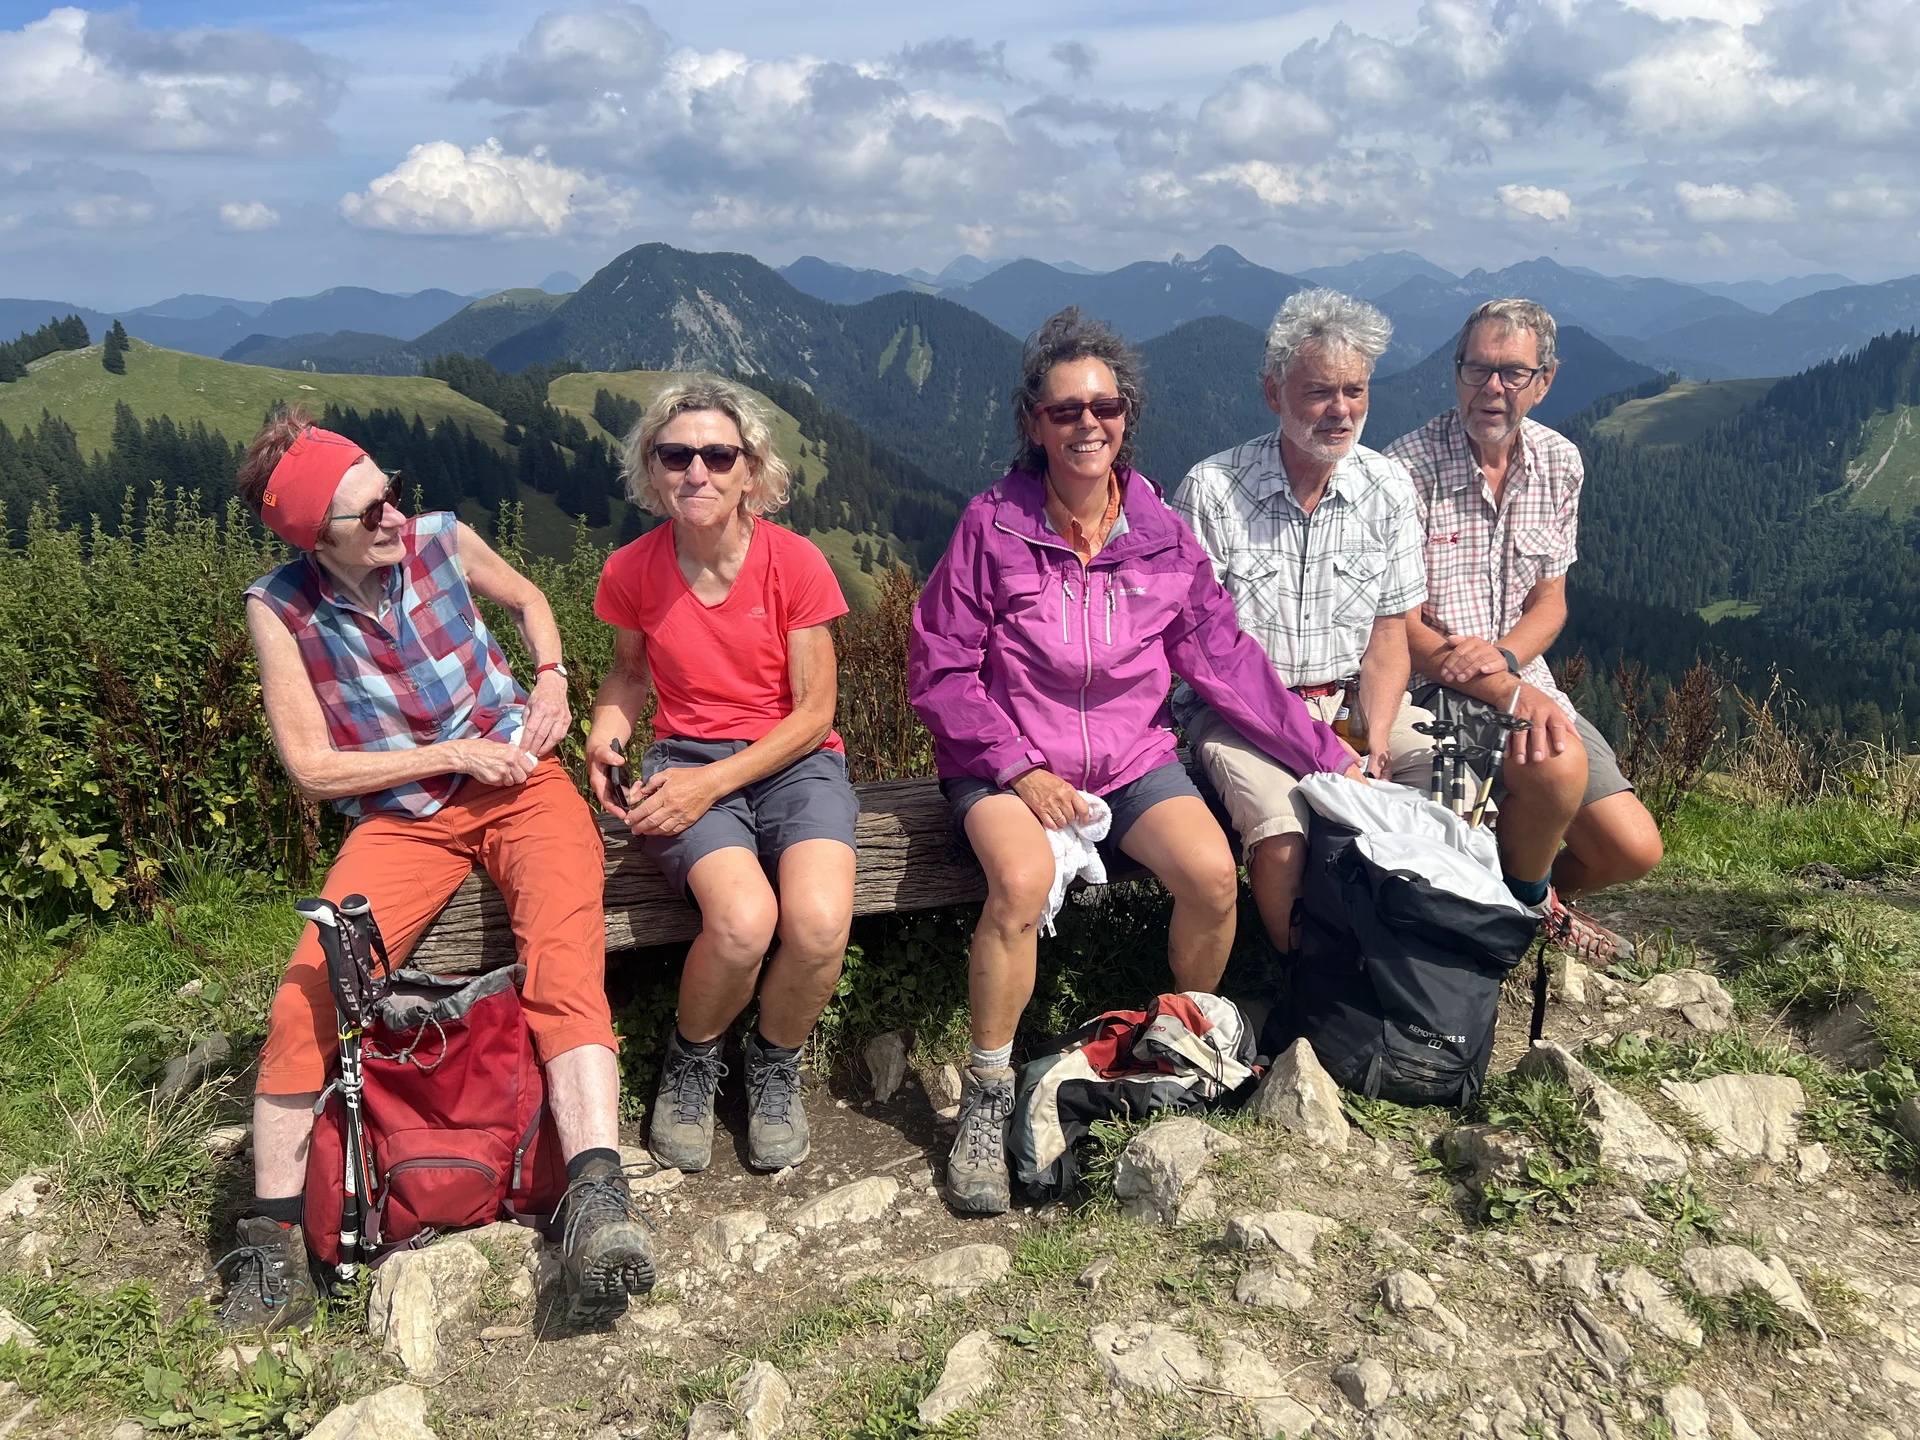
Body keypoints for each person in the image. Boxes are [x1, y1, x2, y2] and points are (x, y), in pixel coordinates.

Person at [910, 307, 1359, 1215]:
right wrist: (1017, 767)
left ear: (1127, 417)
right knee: (1020, 880)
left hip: (1129, 761)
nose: (1089, 423)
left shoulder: (1160, 533)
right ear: (1034, 422)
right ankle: (988, 1091)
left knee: (1213, 877)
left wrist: (1327, 755)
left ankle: (1178, 1047)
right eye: (1065, 409)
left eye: (1105, 407)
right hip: (1003, 761)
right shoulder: (993, 527)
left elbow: (1224, 660)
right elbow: (941, 669)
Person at [228, 409, 652, 1332]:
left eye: (391, 492)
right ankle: (270, 1247)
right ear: (315, 539)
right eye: (369, 511)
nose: (394, 515)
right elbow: (311, 768)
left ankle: (596, 1198)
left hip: (523, 781)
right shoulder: (280, 608)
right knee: (309, 993)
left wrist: (552, 676)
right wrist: (452, 754)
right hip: (404, 817)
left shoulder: (441, 540)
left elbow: (531, 600)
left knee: (563, 960)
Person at [585, 378, 857, 1177]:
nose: (696, 471)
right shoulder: (632, 568)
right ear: (652, 469)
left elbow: (814, 712)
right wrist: (605, 733)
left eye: (718, 455)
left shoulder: (795, 563)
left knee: (818, 924)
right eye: (676, 455)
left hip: (798, 761)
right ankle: (694, 1058)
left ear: (751, 471)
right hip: (686, 759)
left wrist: (713, 785)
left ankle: (774, 1059)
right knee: (742, 923)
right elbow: (628, 673)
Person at [1384, 299, 1664, 959]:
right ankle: (1527, 908)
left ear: (1544, 381)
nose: (1491, 388)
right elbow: (1400, 630)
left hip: (1517, 675)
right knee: (1558, 766)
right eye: (1477, 369)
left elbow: (1550, 603)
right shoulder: (1404, 470)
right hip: (1428, 688)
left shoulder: (1560, 463)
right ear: (1456, 372)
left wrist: (1506, 660)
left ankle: (1519, 896)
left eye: (1512, 373)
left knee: (1631, 850)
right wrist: (1509, 690)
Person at [1173, 288, 1431, 957]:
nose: (1341, 410)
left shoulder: (1389, 488)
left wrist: (1374, 736)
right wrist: (1327, 753)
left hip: (1352, 701)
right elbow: (1203, 656)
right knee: (1283, 834)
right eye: (1319, 392)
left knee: (1449, 786)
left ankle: (1414, 966)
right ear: (1273, 392)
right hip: (1241, 713)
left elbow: (1389, 634)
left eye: (1355, 390)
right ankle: (1308, 978)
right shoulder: (1213, 491)